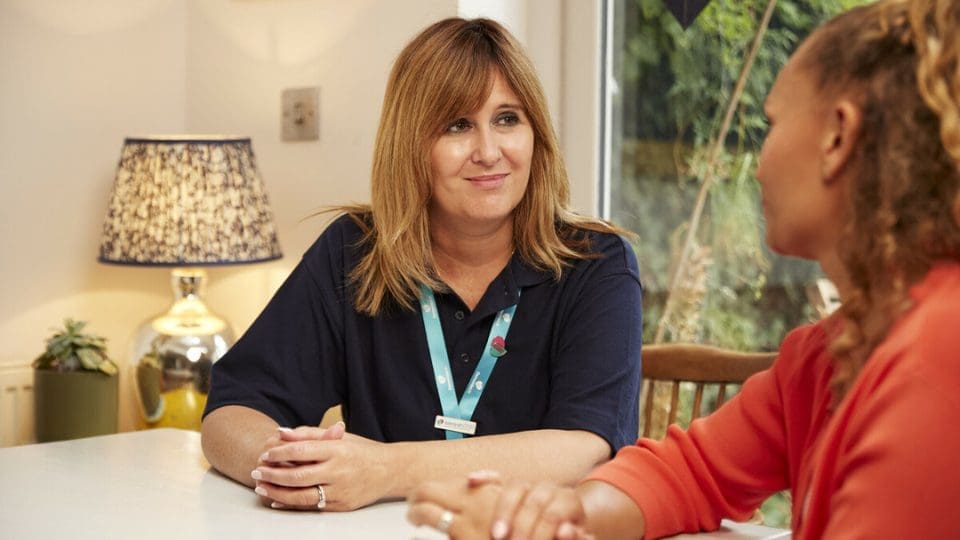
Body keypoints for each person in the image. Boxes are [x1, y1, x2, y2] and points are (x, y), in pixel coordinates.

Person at [407, 0, 960, 537]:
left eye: (772, 124)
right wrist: (559, 517)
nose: (758, 166)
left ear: (837, 137)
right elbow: (690, 471)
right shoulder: (824, 355)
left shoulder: (939, 357)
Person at [200, 17, 642, 513]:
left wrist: (384, 469)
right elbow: (230, 413)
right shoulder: (353, 252)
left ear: (536, 133)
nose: (489, 152)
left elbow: (584, 451)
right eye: (457, 125)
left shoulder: (597, 263)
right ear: (410, 145)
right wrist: (298, 467)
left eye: (507, 119)